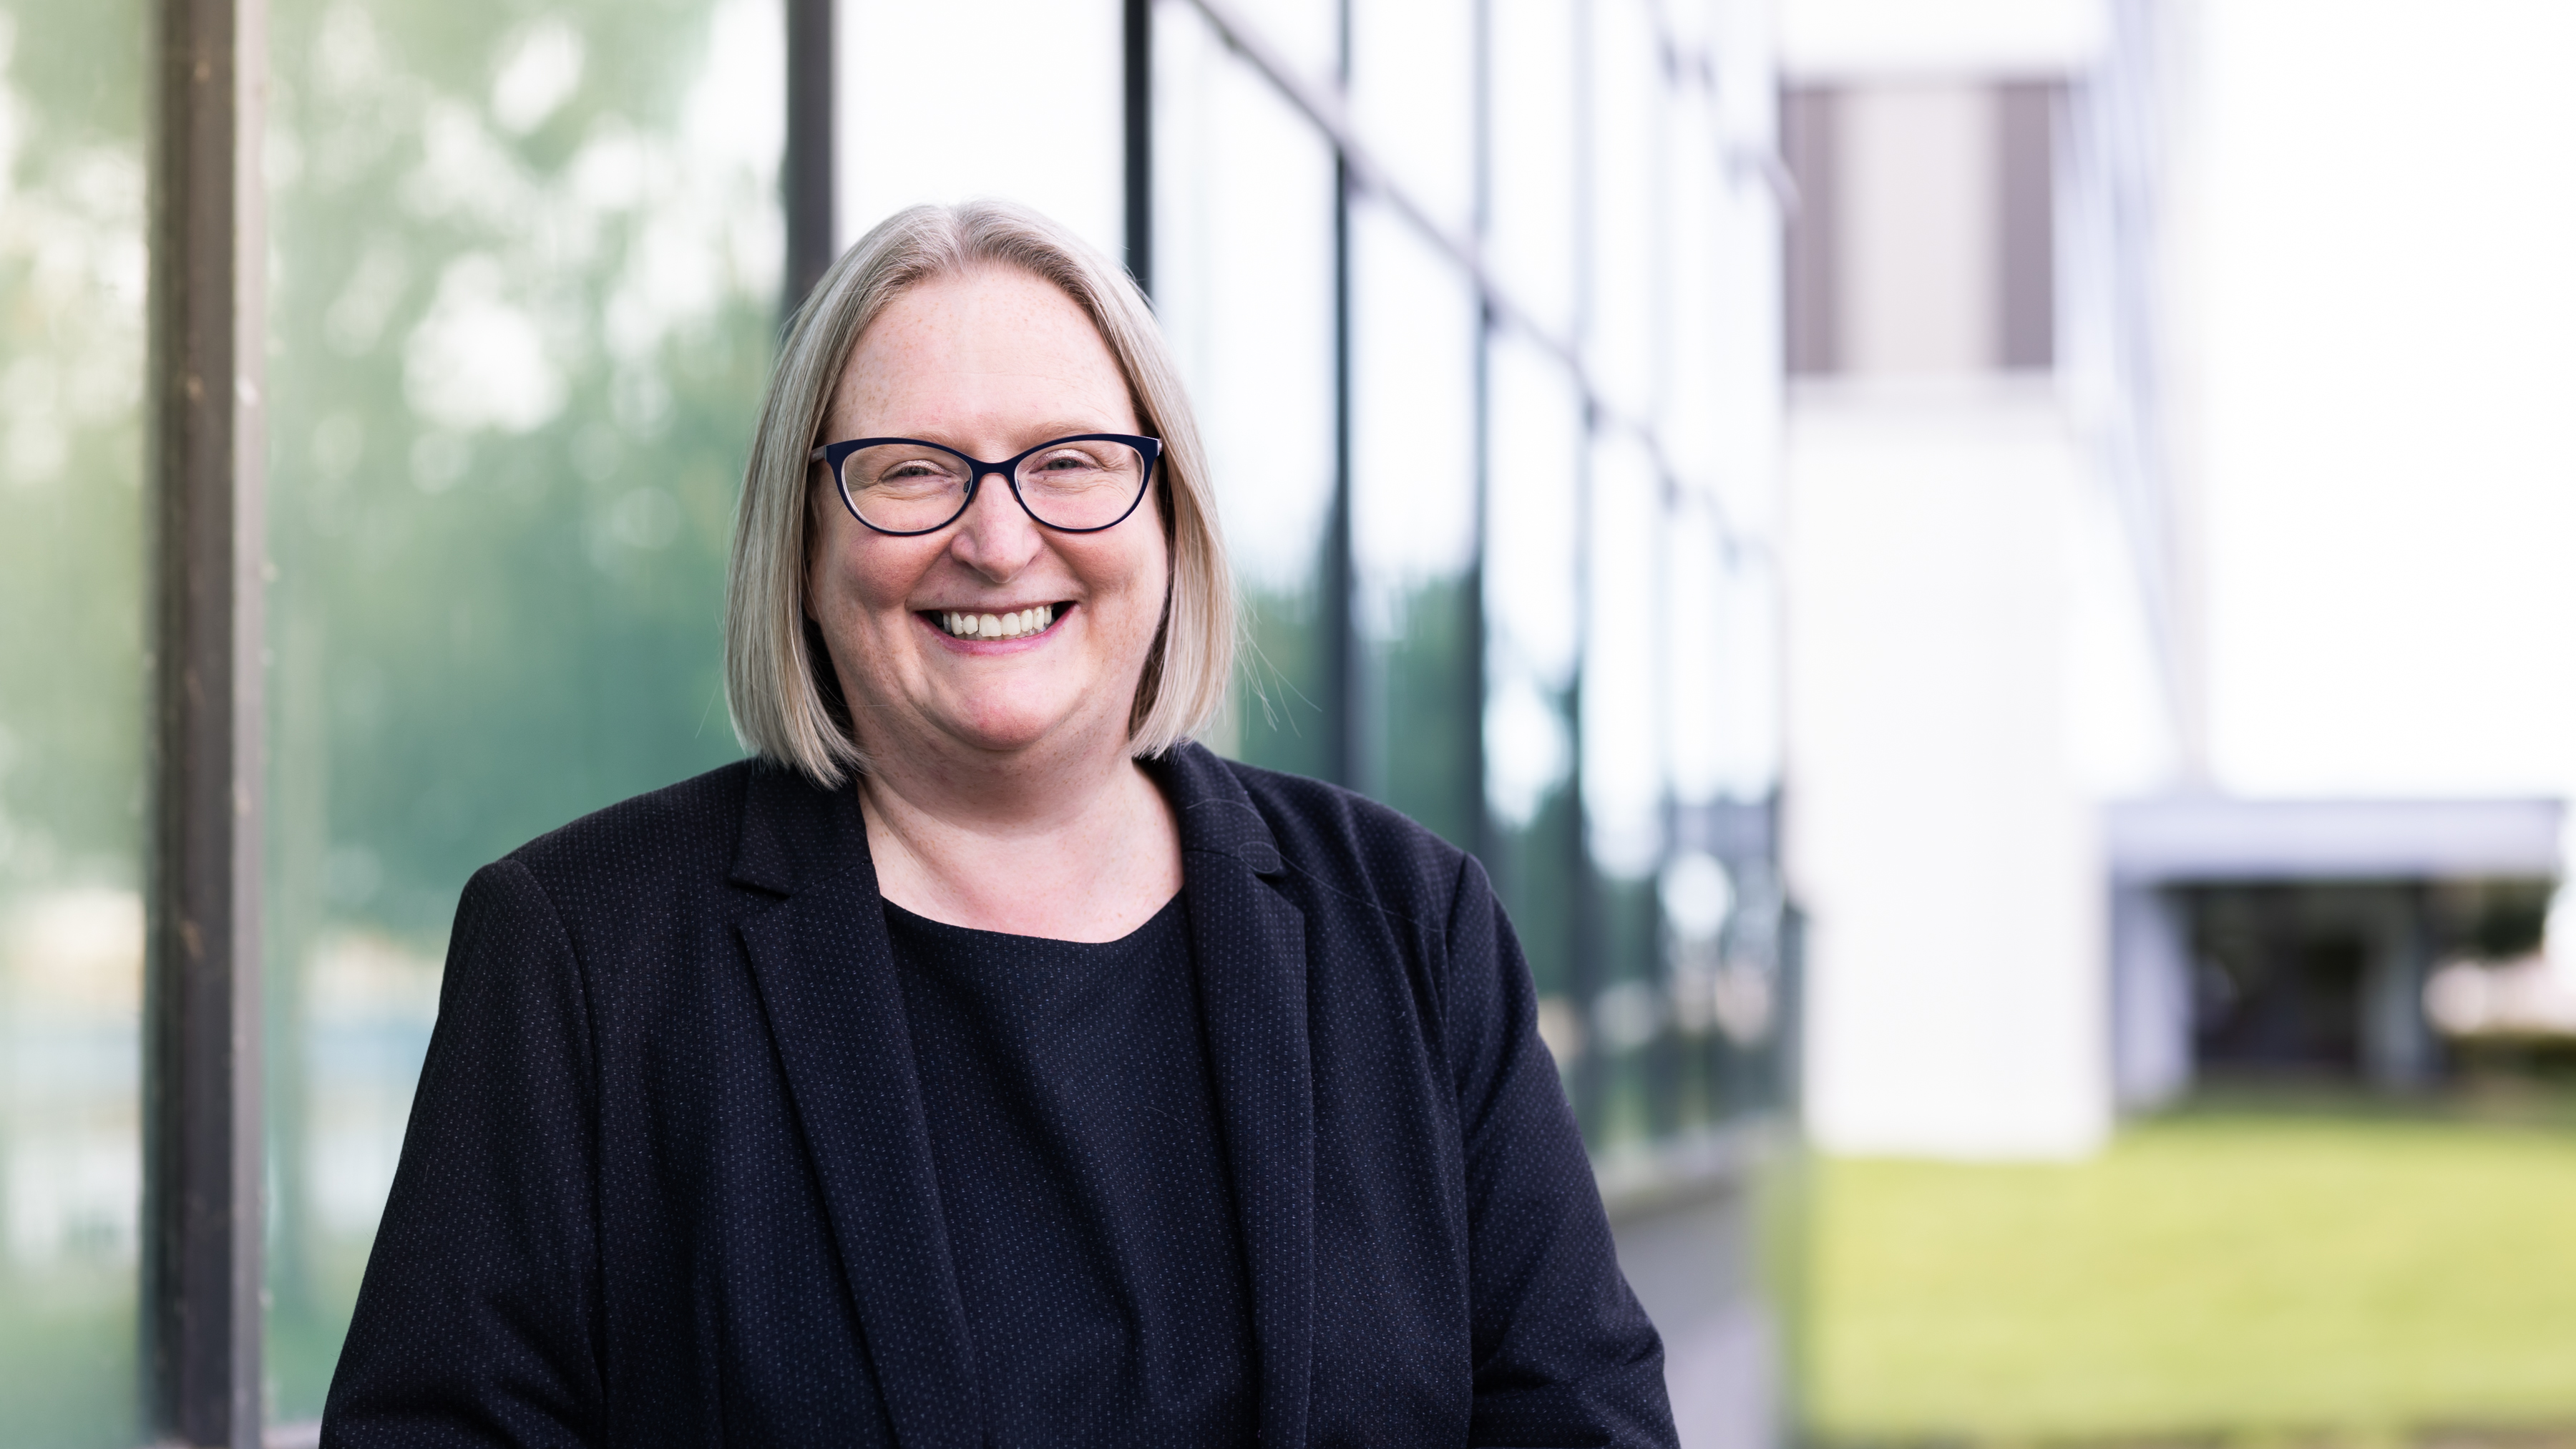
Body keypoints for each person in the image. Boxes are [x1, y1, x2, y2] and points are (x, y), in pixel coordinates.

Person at [321, 200, 1677, 1448]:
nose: (997, 535)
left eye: (1072, 461)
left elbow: (1588, 1423)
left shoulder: (1410, 930)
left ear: (1169, 515)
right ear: (801, 541)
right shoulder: (587, 955)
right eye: (910, 471)